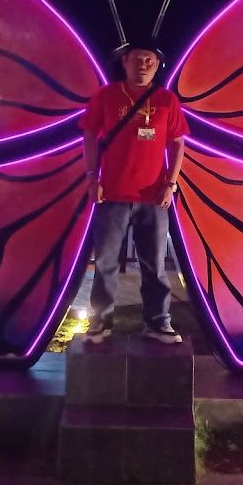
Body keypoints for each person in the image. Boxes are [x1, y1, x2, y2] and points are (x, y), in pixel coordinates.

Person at [78, 37, 189, 344]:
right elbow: (89, 134)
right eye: (137, 59)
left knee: (155, 266)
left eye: (149, 61)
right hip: (110, 193)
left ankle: (157, 324)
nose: (143, 65)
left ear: (157, 66)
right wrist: (92, 177)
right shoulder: (107, 95)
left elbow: (177, 142)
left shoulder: (167, 100)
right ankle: (100, 323)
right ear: (124, 61)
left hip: (153, 197)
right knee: (105, 264)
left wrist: (171, 183)